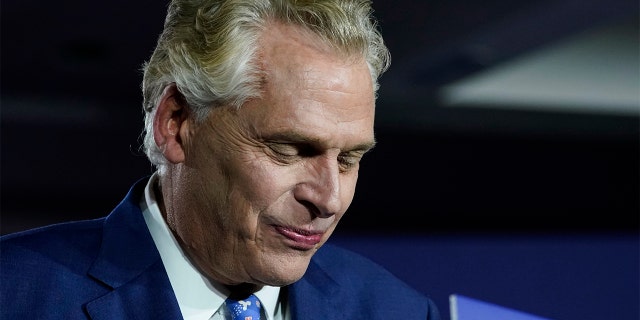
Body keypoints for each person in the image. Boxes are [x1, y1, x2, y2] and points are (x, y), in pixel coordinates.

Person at [1, 0, 441, 319]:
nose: (328, 199)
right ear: (177, 122)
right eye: (289, 149)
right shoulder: (15, 294)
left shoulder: (396, 310)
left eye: (349, 158)